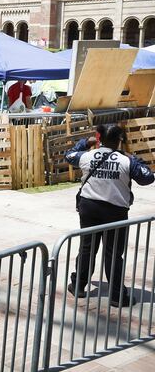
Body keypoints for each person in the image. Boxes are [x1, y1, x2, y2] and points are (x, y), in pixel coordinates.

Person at [65, 124, 154, 307]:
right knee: (113, 253)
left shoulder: (87, 156)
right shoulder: (125, 161)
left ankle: (79, 285)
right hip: (115, 211)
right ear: (119, 140)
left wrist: (85, 142)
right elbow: (148, 177)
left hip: (88, 207)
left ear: (99, 138)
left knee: (87, 248)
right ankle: (116, 295)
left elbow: (69, 154)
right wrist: (134, 159)